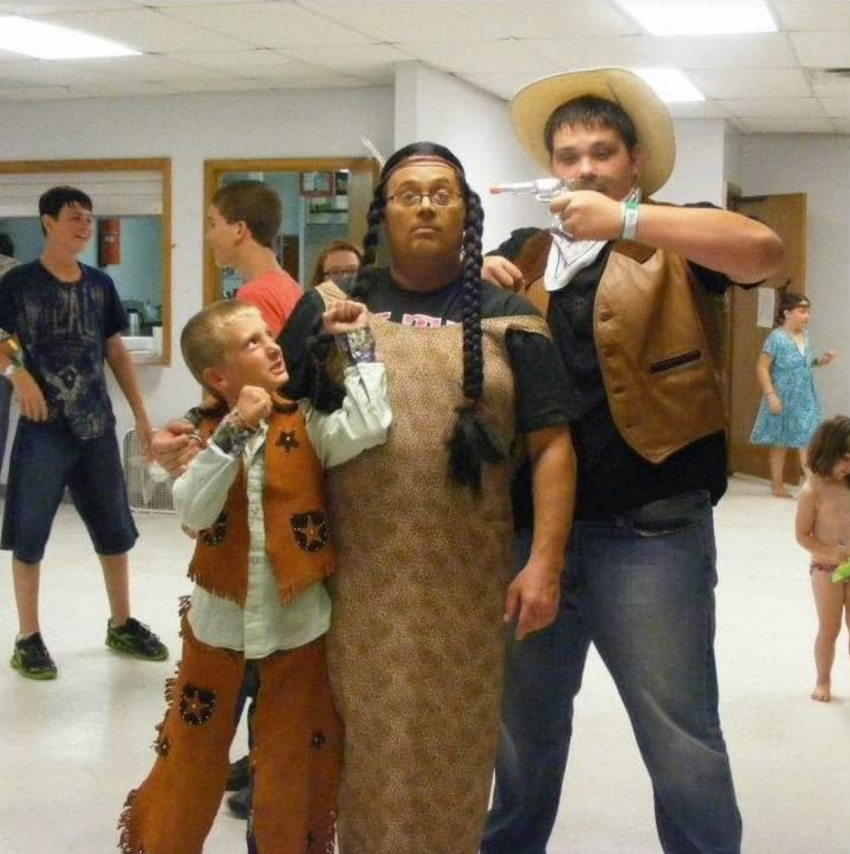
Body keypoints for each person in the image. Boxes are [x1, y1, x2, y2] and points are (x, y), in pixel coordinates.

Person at [153, 141, 576, 854]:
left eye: (443, 193)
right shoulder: (330, 310)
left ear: (467, 213)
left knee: (453, 745)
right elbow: (270, 401)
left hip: (468, 580)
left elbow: (552, 446)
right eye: (408, 193)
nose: (425, 206)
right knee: (334, 747)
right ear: (383, 212)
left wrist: (545, 563)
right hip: (345, 579)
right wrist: (197, 436)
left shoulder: (512, 317)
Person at [478, 69, 784, 854]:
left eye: (602, 152)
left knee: (682, 745)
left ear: (634, 162)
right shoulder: (526, 250)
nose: (583, 168)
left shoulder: (677, 234)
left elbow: (764, 254)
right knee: (520, 744)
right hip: (532, 541)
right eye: (569, 154)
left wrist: (632, 219)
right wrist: (478, 283)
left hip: (653, 537)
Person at [119, 298, 391, 854]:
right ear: (218, 377)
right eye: (252, 342)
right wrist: (236, 430)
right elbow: (192, 509)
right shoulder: (207, 435)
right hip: (219, 631)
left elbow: (372, 423)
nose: (271, 345)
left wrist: (358, 343)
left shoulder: (308, 423)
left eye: (269, 335)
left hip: (298, 631)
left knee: (292, 766)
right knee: (189, 755)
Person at [0, 186, 167, 681]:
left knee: (114, 532)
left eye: (89, 219)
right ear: (47, 222)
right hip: (42, 428)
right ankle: (28, 636)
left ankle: (121, 622)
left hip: (96, 425)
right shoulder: (17, 285)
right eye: (74, 217)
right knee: (29, 534)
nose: (84, 226)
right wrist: (19, 375)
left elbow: (115, 351)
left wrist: (140, 412)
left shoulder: (99, 285)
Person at [751, 292, 835, 497]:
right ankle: (777, 485)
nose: (806, 316)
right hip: (782, 396)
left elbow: (804, 363)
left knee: (807, 439)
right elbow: (761, 368)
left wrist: (819, 361)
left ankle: (813, 488)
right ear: (787, 313)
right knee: (780, 442)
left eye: (808, 312)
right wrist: (771, 395)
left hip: (805, 396)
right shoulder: (776, 338)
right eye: (802, 311)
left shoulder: (805, 336)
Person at [795, 416, 850, 703]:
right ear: (827, 453)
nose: (848, 467)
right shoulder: (812, 490)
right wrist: (831, 553)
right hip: (826, 568)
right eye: (844, 459)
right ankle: (823, 679)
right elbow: (803, 535)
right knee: (830, 627)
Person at [207, 179, 302, 338]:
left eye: (212, 224)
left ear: (239, 229)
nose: (208, 236)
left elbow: (267, 361)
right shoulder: (290, 286)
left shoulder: (255, 294)